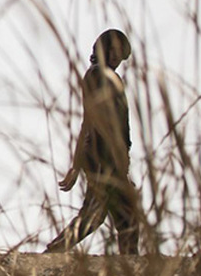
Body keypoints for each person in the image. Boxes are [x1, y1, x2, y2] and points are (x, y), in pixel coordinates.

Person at [45, 29, 140, 254]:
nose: (117, 59)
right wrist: (82, 164)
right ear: (104, 48)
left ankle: (131, 264)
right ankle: (54, 251)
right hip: (102, 154)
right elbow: (92, 120)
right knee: (94, 215)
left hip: (109, 156)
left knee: (127, 215)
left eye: (121, 55)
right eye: (114, 52)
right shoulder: (98, 74)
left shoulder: (101, 75)